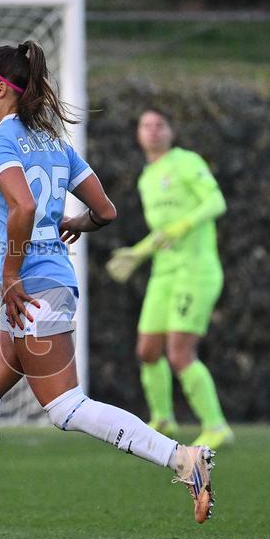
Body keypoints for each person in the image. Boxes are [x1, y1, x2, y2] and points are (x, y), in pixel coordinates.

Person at [0, 41, 215, 539]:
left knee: (64, 407)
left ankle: (182, 458)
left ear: (2, 89)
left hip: (31, 288)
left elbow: (20, 208)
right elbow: (104, 210)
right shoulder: (52, 141)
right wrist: (72, 223)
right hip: (48, 283)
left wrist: (10, 276)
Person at [105, 109, 234, 450]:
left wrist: (183, 226)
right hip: (163, 274)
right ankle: (163, 418)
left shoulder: (186, 161)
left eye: (160, 124)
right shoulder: (147, 178)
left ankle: (216, 426)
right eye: (145, 125)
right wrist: (136, 254)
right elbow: (161, 234)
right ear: (137, 135)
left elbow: (216, 201)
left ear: (171, 132)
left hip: (196, 271)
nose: (152, 131)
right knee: (147, 350)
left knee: (179, 352)